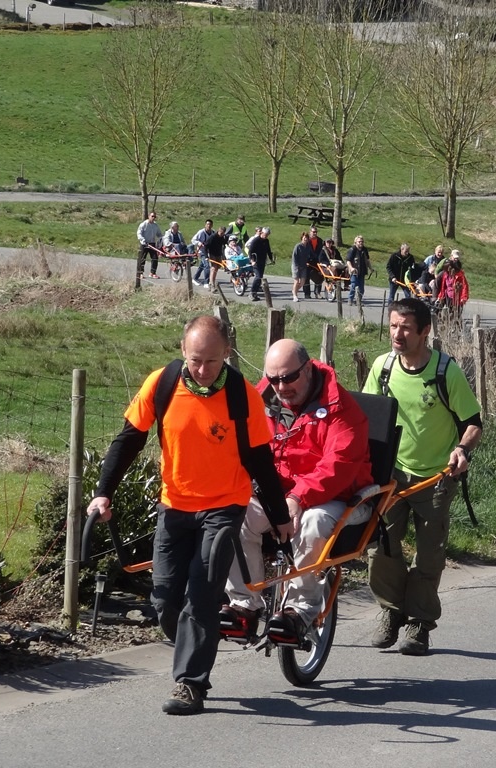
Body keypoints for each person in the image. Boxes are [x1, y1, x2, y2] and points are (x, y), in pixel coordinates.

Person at [86, 316, 290, 715]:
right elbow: (128, 440)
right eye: (195, 360)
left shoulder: (241, 395)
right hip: (174, 505)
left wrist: (279, 513)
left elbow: (260, 460)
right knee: (164, 599)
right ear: (183, 350)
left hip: (224, 506)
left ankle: (190, 684)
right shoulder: (162, 384)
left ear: (227, 353)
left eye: (211, 361)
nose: (202, 370)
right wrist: (102, 494)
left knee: (202, 592)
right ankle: (199, 641)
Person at [221, 339, 374, 642]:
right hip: (281, 493)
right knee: (233, 518)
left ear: (307, 369)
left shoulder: (341, 409)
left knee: (312, 522)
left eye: (289, 377)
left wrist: (297, 497)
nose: (281, 386)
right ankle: (245, 606)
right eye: (274, 378)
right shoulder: (260, 401)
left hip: (340, 497)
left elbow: (338, 466)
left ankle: (299, 611)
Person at [363, 298, 482, 655]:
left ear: (425, 331)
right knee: (379, 549)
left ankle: (419, 624)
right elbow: (369, 418)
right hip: (391, 477)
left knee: (429, 557)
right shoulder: (382, 368)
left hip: (435, 480)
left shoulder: (446, 372)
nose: (397, 334)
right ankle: (391, 611)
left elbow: (473, 423)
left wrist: (461, 450)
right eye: (393, 326)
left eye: (405, 328)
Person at [247, 226, 274, 302]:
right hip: (255, 261)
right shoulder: (256, 240)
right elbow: (250, 251)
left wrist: (271, 259)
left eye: (267, 234)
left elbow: (268, 250)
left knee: (260, 277)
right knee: (258, 277)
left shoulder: (266, 241)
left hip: (262, 261)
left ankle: (255, 293)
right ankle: (251, 293)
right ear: (261, 233)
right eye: (265, 234)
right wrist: (252, 260)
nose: (266, 236)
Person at [136, 211, 163, 280]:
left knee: (155, 258)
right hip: (144, 244)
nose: (153, 218)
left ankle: (152, 273)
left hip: (152, 243)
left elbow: (159, 234)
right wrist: (142, 239)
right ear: (149, 216)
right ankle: (140, 273)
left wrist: (162, 237)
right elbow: (139, 233)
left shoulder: (155, 225)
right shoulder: (144, 224)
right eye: (152, 216)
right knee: (142, 259)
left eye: (155, 217)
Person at [303, 227, 326, 299]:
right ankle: (307, 294)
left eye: (316, 232)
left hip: (317, 262)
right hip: (307, 262)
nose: (315, 233)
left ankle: (317, 293)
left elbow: (322, 252)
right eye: (313, 232)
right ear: (310, 232)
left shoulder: (320, 241)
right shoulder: (307, 241)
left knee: (320, 277)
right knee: (306, 278)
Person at [346, 234, 370, 306]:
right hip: (354, 272)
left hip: (362, 271)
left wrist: (371, 268)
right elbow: (348, 261)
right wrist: (351, 268)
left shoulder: (364, 250)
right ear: (355, 242)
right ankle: (350, 300)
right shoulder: (352, 250)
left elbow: (367, 260)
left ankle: (358, 301)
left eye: (362, 241)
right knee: (353, 285)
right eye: (359, 241)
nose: (361, 243)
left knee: (361, 288)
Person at [190, 219, 214, 286]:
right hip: (201, 251)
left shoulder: (213, 232)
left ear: (212, 225)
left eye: (210, 224)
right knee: (207, 266)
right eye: (207, 224)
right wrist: (199, 243)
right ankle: (206, 282)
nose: (208, 226)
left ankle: (195, 278)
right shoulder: (201, 232)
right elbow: (193, 240)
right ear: (205, 225)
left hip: (209, 251)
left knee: (202, 266)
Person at [290, 232, 313, 303]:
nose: (305, 239)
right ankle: (295, 296)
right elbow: (294, 257)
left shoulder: (308, 247)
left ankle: (294, 291)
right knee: (296, 281)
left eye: (306, 238)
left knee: (302, 282)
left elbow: (311, 255)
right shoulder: (298, 246)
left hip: (304, 266)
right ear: (302, 238)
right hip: (296, 266)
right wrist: (297, 266)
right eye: (304, 238)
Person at [204, 225, 227, 291]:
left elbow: (224, 243)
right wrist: (206, 256)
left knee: (217, 268)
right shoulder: (212, 237)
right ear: (218, 231)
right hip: (212, 254)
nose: (221, 235)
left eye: (223, 233)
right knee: (213, 268)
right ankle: (212, 285)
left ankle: (210, 282)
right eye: (221, 233)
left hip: (218, 254)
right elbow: (206, 246)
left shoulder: (222, 237)